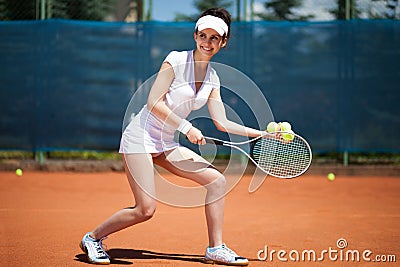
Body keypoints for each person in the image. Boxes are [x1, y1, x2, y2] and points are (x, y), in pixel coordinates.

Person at [80, 7, 269, 266]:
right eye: (203, 35)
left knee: (216, 182)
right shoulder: (176, 61)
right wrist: (186, 127)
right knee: (145, 210)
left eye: (215, 38)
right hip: (140, 137)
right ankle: (93, 238)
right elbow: (154, 101)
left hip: (166, 142)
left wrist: (263, 133)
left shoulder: (213, 78)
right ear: (195, 36)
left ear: (223, 42)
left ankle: (215, 248)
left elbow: (222, 122)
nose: (207, 42)